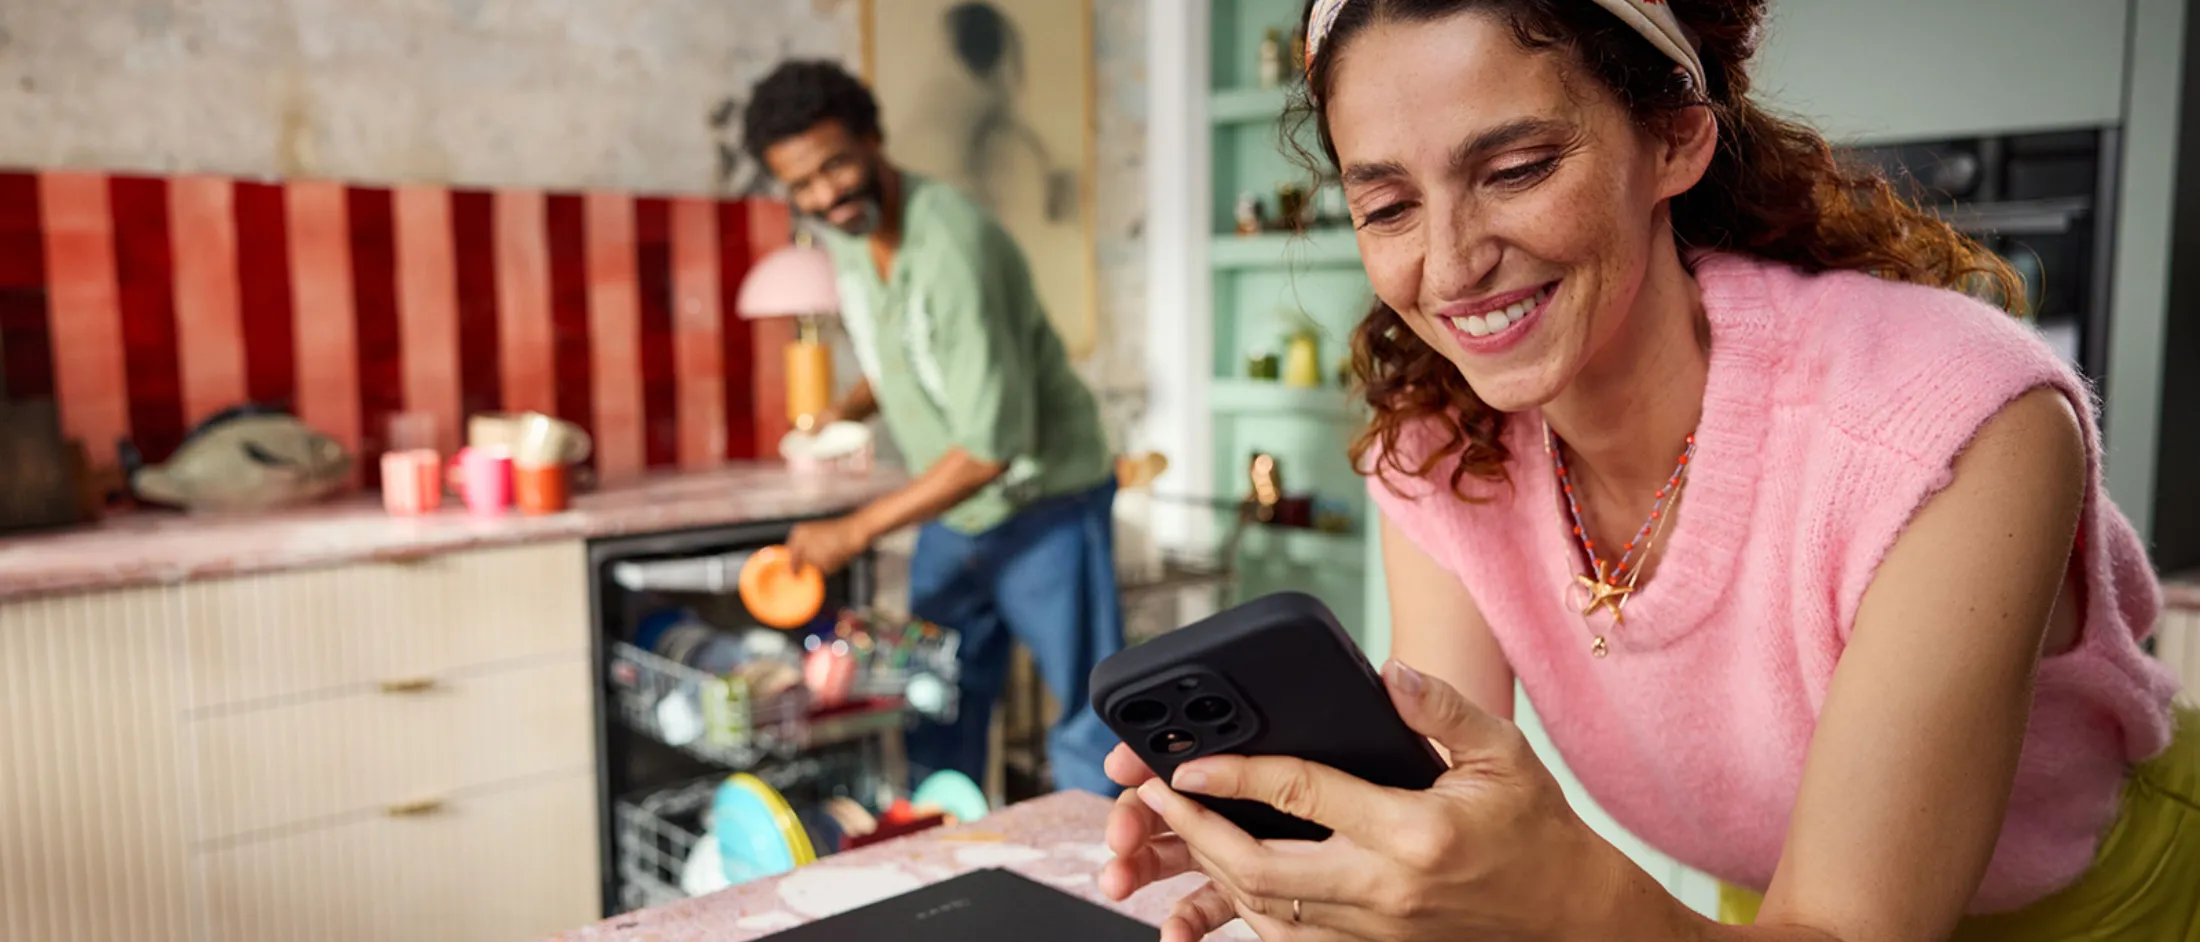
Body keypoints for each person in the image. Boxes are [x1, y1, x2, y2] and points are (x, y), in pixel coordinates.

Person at [1101, 1, 2194, 940]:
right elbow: (1445, 809)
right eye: (1386, 206)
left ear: (1674, 138)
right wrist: (1321, 874)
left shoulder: (1946, 422)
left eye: (1517, 169)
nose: (1448, 263)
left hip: (2120, 908)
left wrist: (1566, 898)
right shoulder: (1438, 452)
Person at [743, 60, 1126, 798]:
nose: (825, 194)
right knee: (933, 697)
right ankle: (948, 869)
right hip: (954, 511)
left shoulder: (953, 244)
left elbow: (990, 449)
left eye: (835, 166)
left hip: (1044, 502)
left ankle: (1109, 882)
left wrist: (853, 531)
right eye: (802, 184)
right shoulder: (846, 236)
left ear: (872, 138)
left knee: (1090, 715)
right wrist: (847, 410)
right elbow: (904, 350)